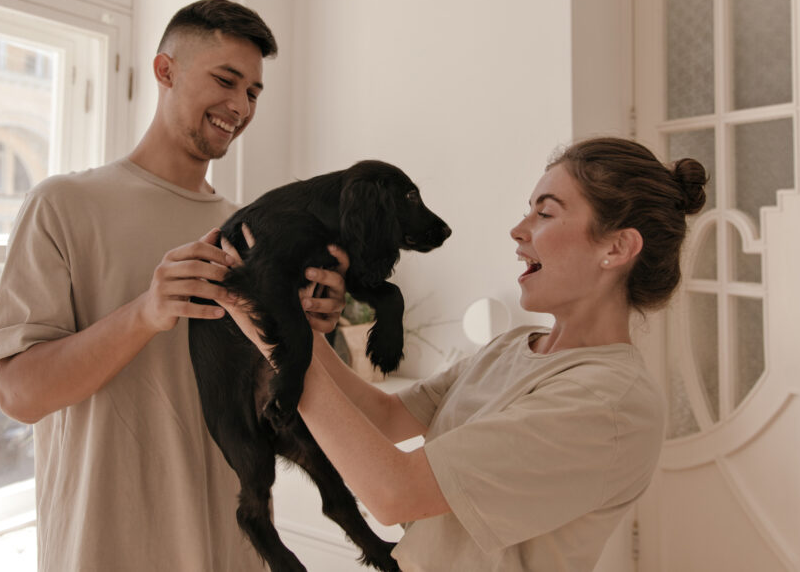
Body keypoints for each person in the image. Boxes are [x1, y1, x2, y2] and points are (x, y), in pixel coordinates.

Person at [222, 137, 708, 571]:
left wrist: (261, 315)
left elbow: (395, 494)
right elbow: (385, 415)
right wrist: (294, 323)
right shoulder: (512, 349)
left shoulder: (609, 402)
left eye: (546, 212)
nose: (518, 230)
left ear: (618, 247)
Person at [0, 0, 345, 571]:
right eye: (226, 80)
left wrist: (312, 335)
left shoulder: (253, 232)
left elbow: (290, 415)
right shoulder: (63, 205)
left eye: (253, 92)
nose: (240, 105)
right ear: (165, 70)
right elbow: (19, 395)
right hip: (107, 551)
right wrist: (146, 312)